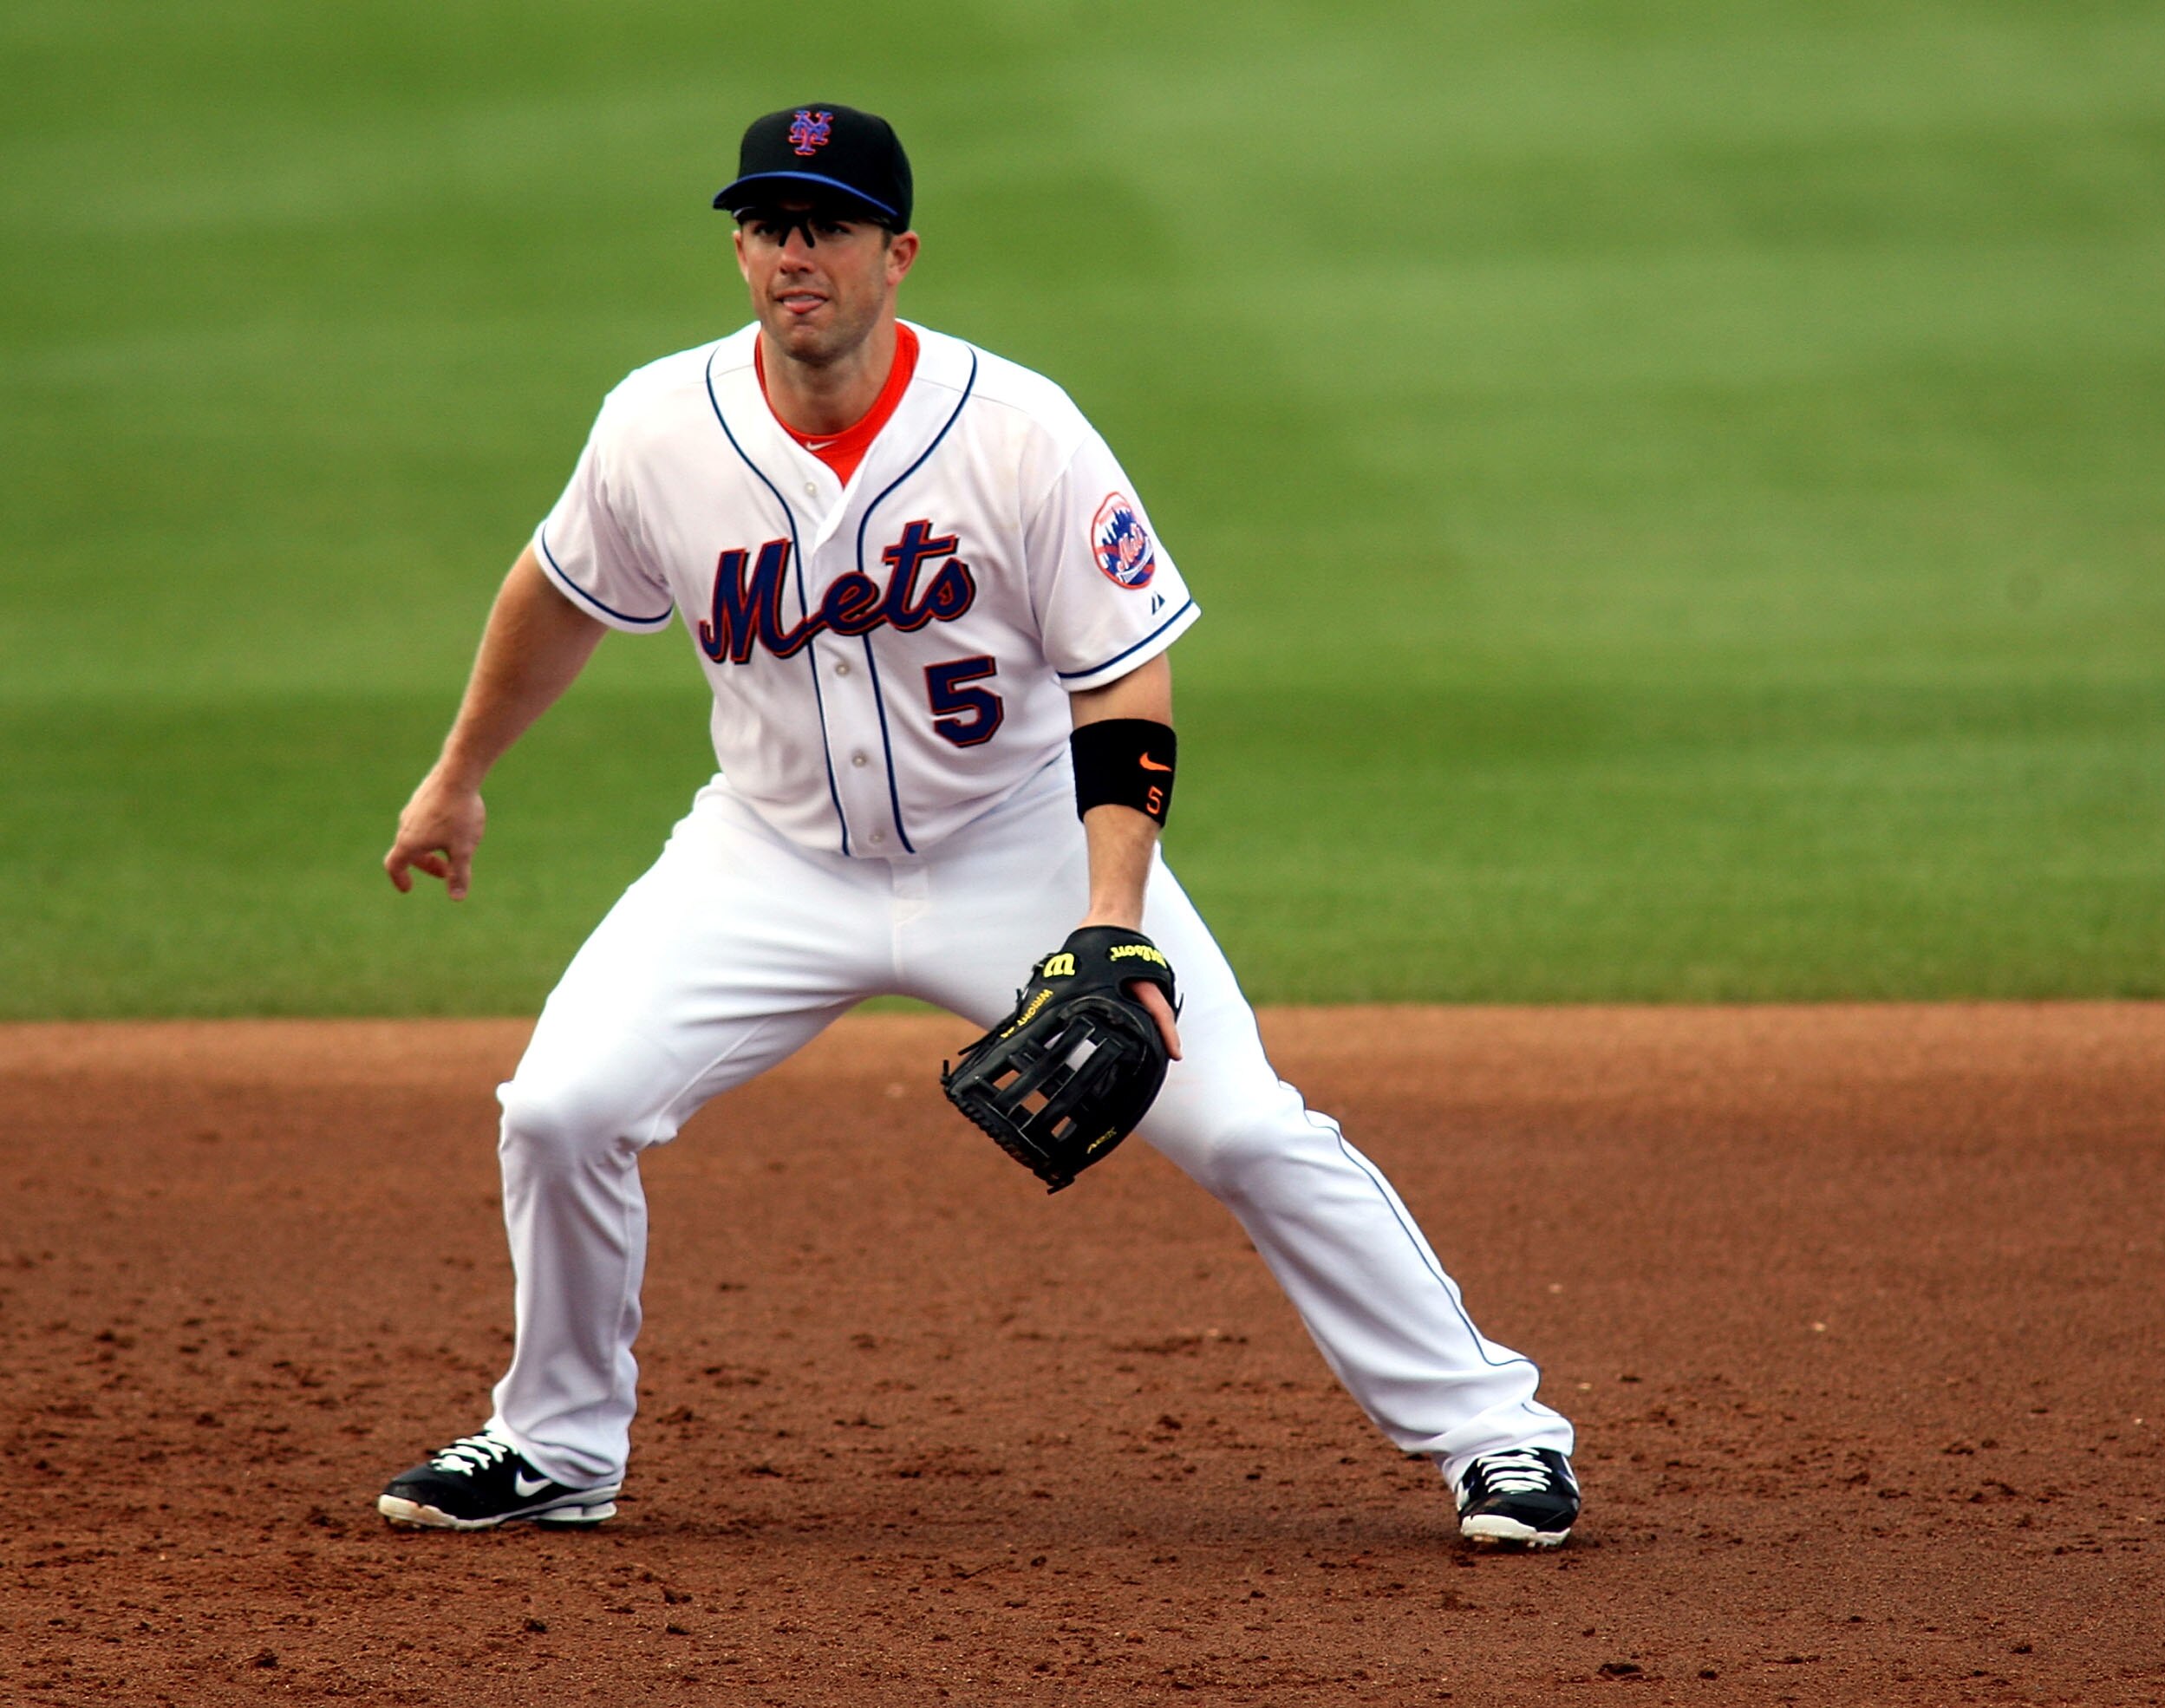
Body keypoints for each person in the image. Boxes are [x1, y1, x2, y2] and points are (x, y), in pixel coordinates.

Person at [374, 103, 1578, 1548]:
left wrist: (1109, 915)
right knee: (560, 1109)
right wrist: (458, 773)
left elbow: (1125, 669)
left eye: (825, 226)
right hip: (764, 859)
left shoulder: (1019, 431)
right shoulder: (657, 423)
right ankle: (556, 1442)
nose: (790, 254)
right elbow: (561, 589)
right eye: (765, 225)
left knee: (1248, 1129)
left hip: (1015, 848)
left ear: (899, 256)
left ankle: (1497, 1432)